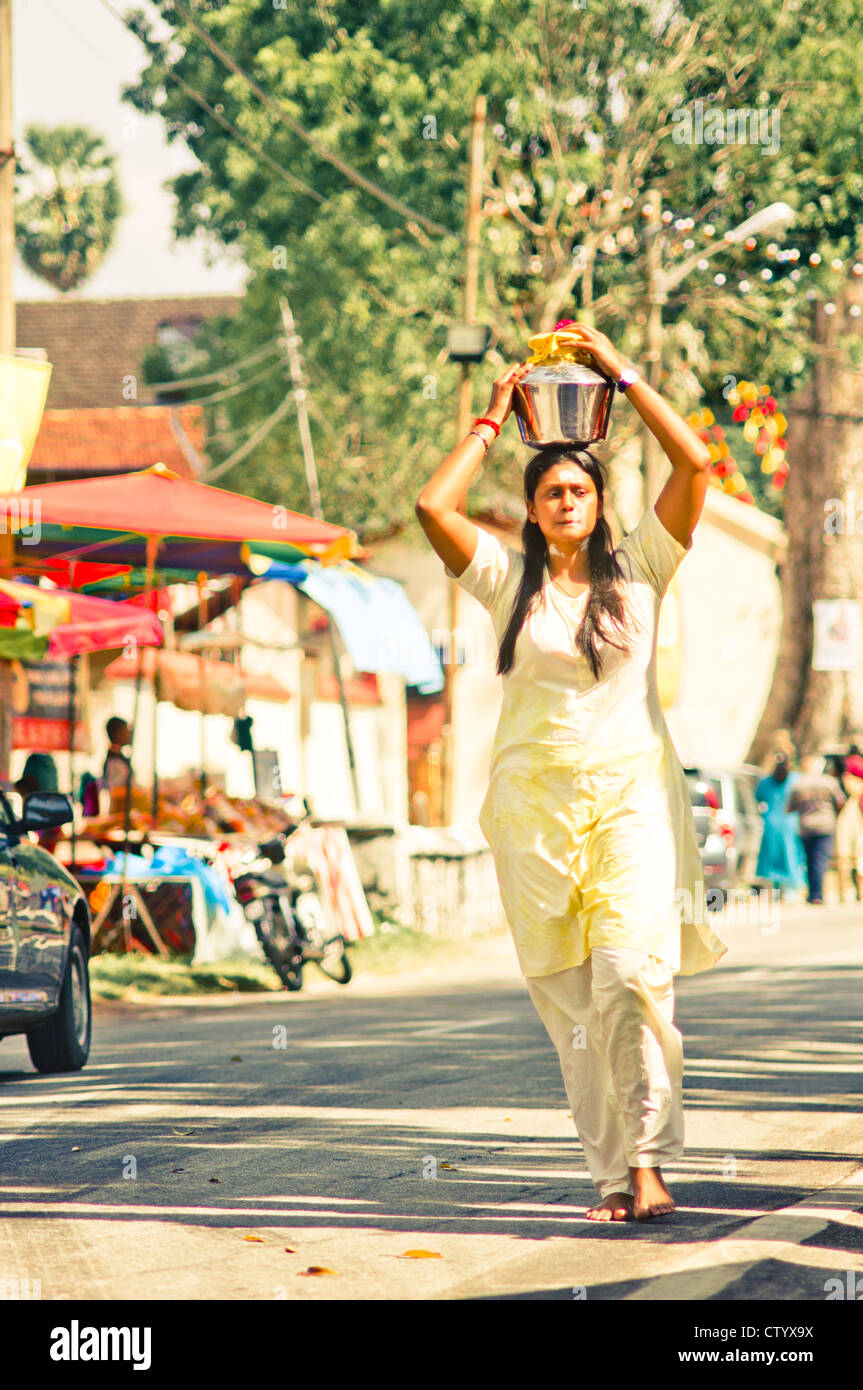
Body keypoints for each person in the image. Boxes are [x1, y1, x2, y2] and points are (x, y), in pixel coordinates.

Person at [415, 321, 725, 1223]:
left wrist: (616, 373)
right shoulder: (507, 580)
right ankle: (606, 1173)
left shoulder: (641, 572)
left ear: (597, 501)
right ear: (534, 502)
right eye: (549, 489)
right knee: (572, 1009)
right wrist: (488, 418)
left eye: (577, 488)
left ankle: (650, 1160)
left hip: (631, 801)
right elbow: (434, 511)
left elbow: (697, 466)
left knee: (630, 976)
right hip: (533, 815)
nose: (564, 500)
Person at [786, 755, 846, 904]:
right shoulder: (829, 782)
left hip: (806, 826)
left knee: (809, 859)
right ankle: (817, 893)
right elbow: (841, 801)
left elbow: (789, 808)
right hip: (825, 826)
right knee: (820, 860)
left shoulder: (799, 785)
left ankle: (813, 892)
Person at [755, 753, 808, 900]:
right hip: (781, 824)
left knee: (787, 855)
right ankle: (782, 890)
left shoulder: (794, 780)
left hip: (783, 824)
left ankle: (788, 890)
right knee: (779, 856)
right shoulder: (768, 782)